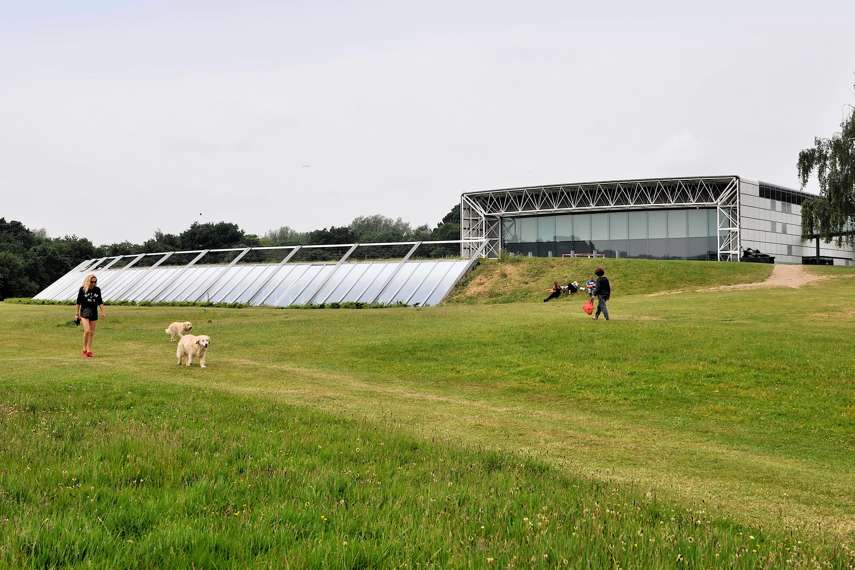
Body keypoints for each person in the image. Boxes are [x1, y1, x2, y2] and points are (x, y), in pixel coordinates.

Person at [75, 274, 106, 357]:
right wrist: (77, 314)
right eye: (92, 282)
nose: (93, 283)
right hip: (84, 312)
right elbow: (78, 302)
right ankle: (84, 348)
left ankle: (89, 350)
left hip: (94, 312)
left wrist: (103, 312)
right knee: (87, 331)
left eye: (95, 282)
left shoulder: (97, 289)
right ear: (88, 281)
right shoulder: (82, 289)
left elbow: (100, 301)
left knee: (91, 332)